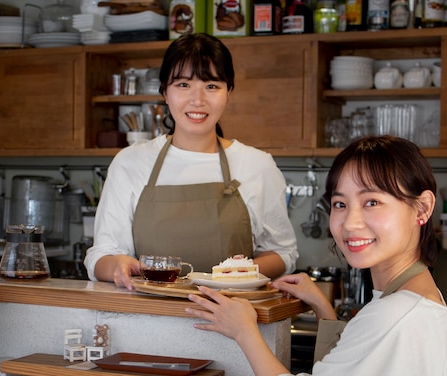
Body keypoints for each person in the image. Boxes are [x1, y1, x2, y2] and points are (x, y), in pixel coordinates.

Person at [186, 135, 447, 376]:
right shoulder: (419, 299)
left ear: (423, 208)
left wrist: (244, 332)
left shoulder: (395, 315)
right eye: (340, 204)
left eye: (372, 202)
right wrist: (322, 306)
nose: (350, 223)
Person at [84, 33, 298, 289]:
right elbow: (100, 255)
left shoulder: (257, 165)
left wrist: (236, 273)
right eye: (183, 85)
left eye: (212, 86)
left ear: (228, 92)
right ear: (164, 91)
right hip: (146, 320)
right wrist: (116, 265)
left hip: (233, 323)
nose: (198, 100)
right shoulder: (130, 162)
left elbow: (284, 253)